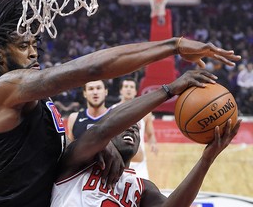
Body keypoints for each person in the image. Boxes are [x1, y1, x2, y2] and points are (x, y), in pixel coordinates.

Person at [0, 0, 240, 207]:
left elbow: (35, 153)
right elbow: (91, 71)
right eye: (23, 46)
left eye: (34, 44)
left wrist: (96, 146)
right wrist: (175, 46)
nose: (33, 52)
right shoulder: (0, 91)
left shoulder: (35, 100)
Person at [50, 70, 242, 206]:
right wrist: (169, 90)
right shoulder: (76, 164)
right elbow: (97, 133)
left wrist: (206, 160)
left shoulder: (143, 188)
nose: (132, 129)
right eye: (125, 126)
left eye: (135, 128)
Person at [112, 77, 157, 179]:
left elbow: (150, 134)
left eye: (131, 87)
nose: (128, 89)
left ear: (136, 91)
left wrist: (153, 143)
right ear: (121, 90)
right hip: (118, 160)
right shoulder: (112, 111)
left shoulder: (145, 111)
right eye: (126, 86)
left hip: (138, 162)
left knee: (141, 192)